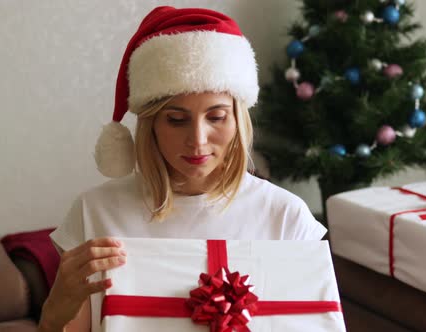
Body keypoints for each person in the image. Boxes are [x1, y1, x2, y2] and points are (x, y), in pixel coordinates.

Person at [38, 6, 327, 332]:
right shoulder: (94, 212)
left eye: (216, 117)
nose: (198, 140)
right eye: (176, 120)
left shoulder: (286, 217)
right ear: (152, 124)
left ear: (237, 120)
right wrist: (54, 310)